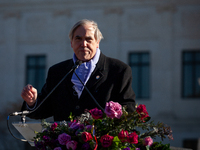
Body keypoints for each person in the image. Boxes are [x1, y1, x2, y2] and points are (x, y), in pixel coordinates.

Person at [21, 19, 136, 121]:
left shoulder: (118, 70)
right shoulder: (57, 72)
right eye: (78, 39)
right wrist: (32, 102)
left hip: (101, 142)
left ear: (97, 43)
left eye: (88, 39)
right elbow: (46, 109)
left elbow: (128, 110)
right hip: (65, 143)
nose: (83, 44)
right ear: (71, 43)